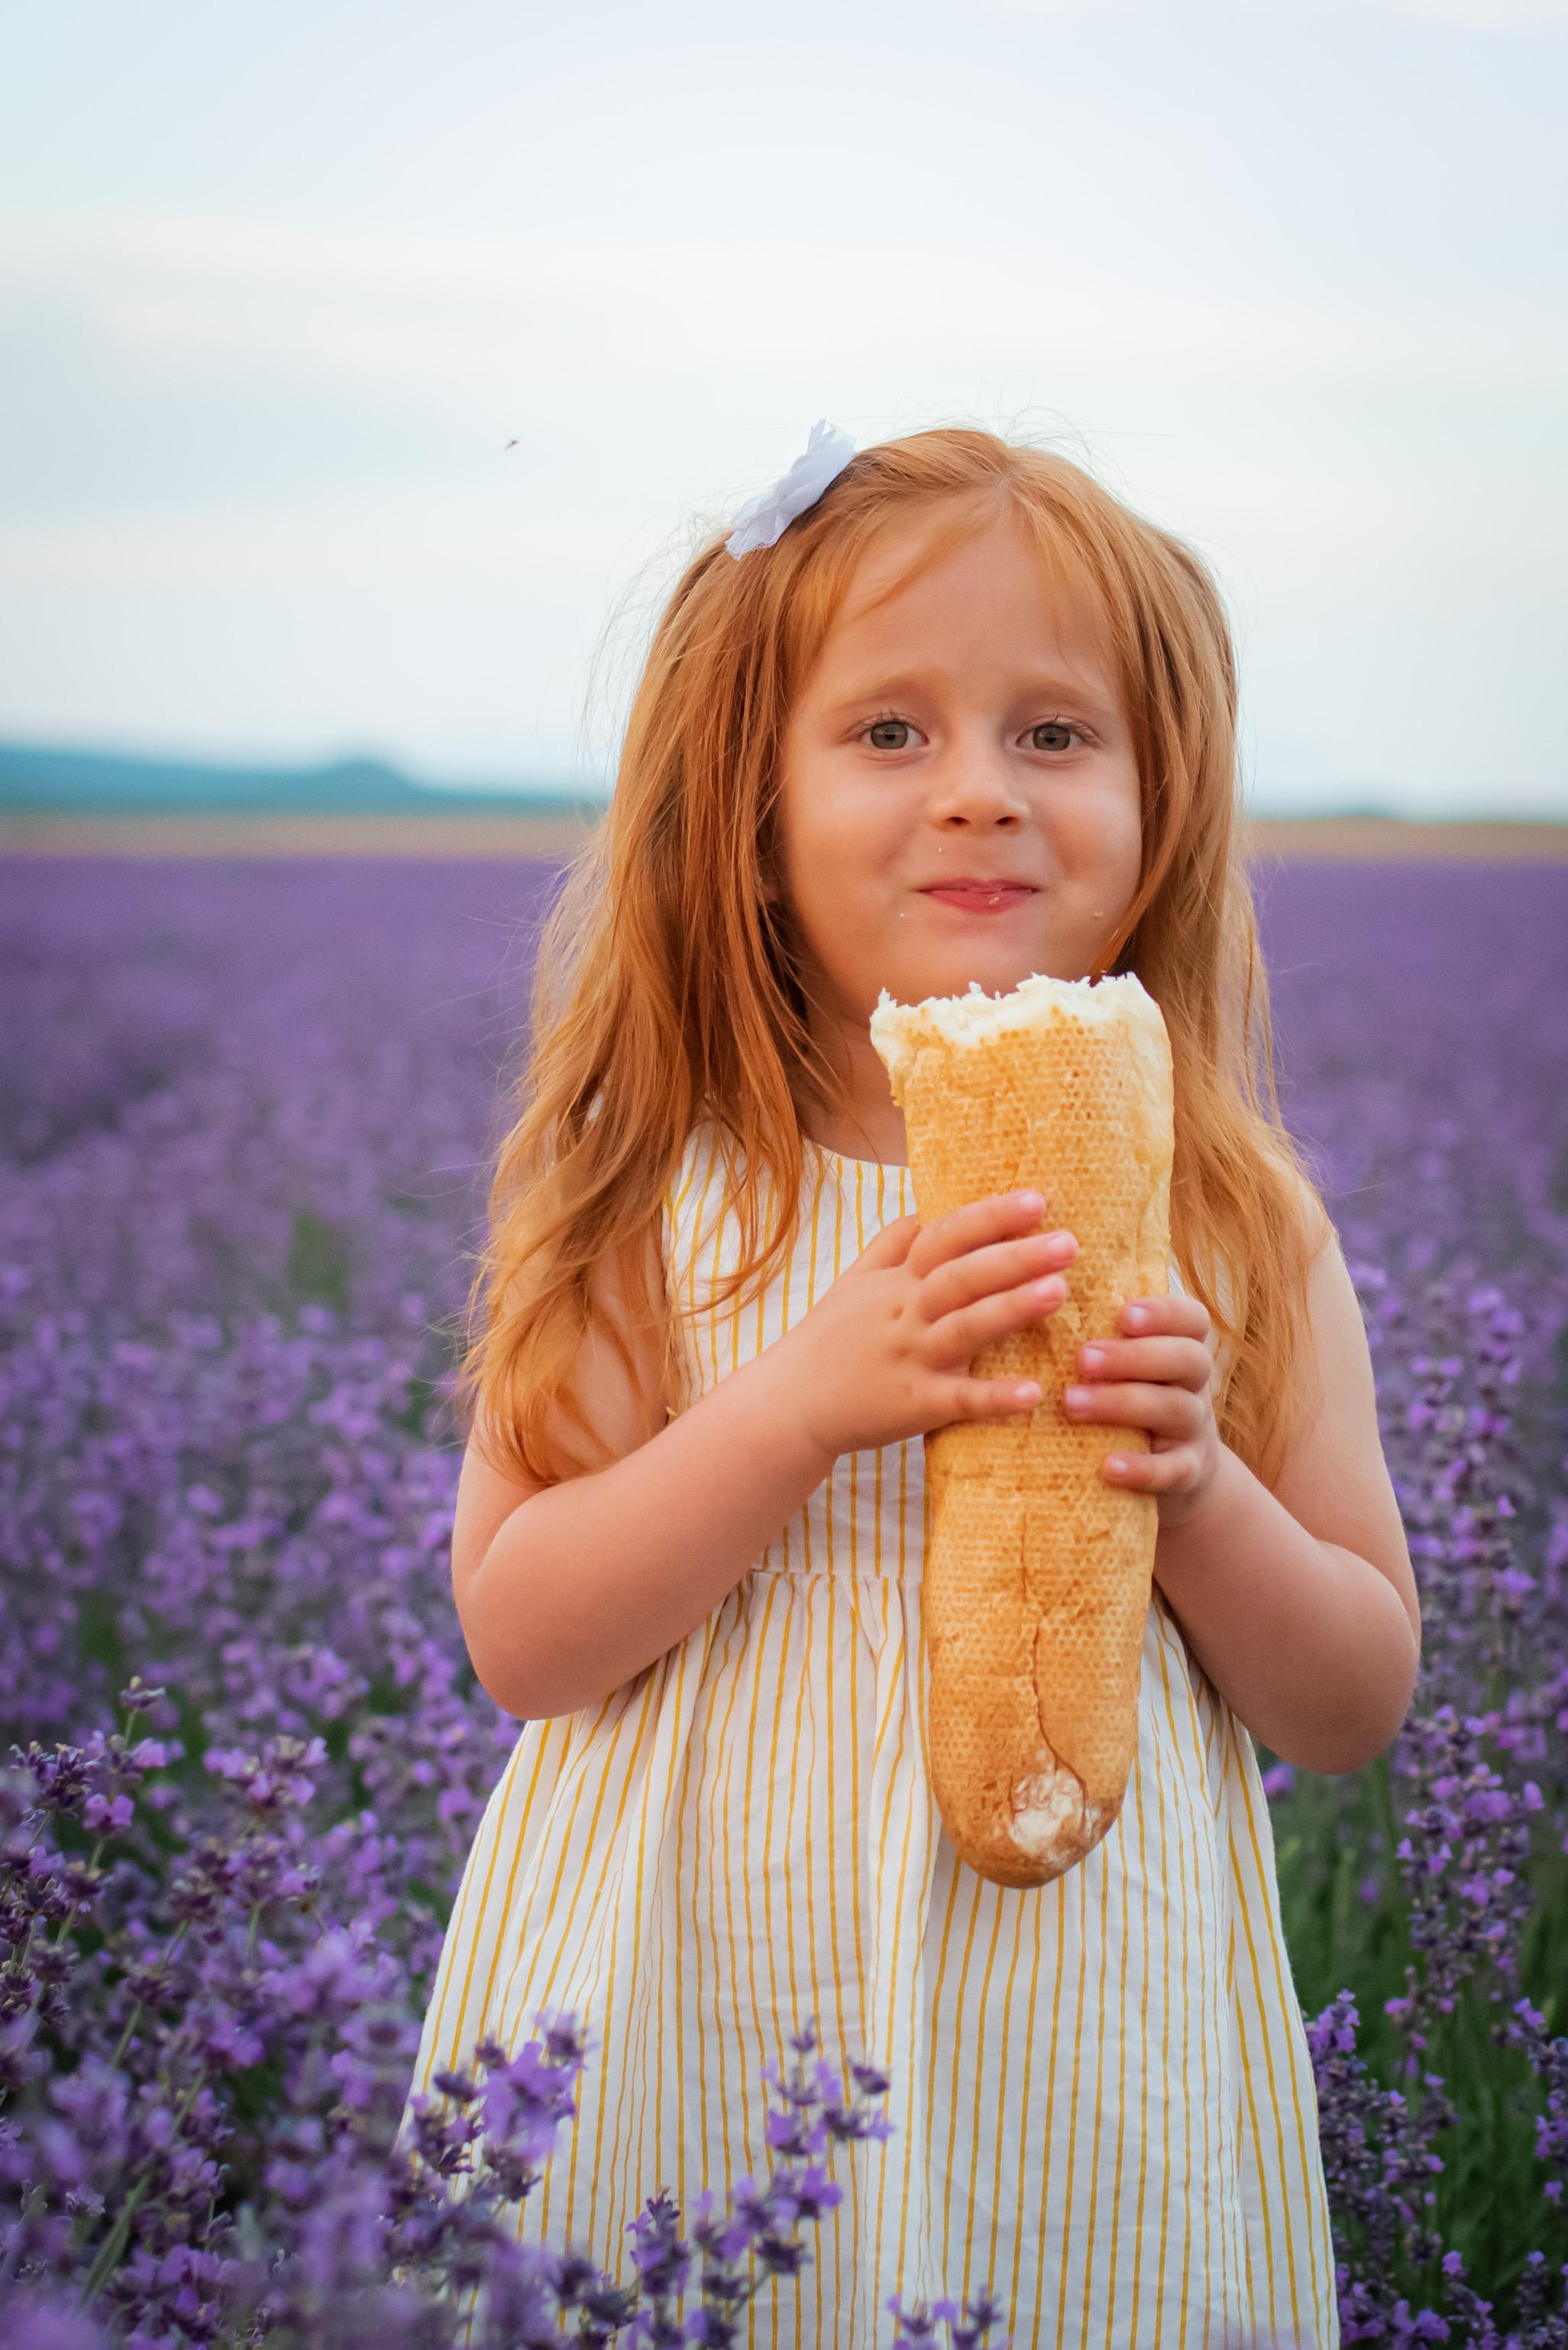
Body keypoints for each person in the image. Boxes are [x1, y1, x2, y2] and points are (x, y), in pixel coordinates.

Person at [398, 422, 1421, 2348]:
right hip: (697, 1995)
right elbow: (524, 1633)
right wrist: (790, 1405)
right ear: (746, 803)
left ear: (1161, 795)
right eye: (889, 730)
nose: (978, 790)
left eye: (1054, 732)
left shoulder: (1233, 1218)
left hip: (1081, 2027)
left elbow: (1352, 1694)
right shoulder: (656, 1186)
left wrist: (1198, 1488)